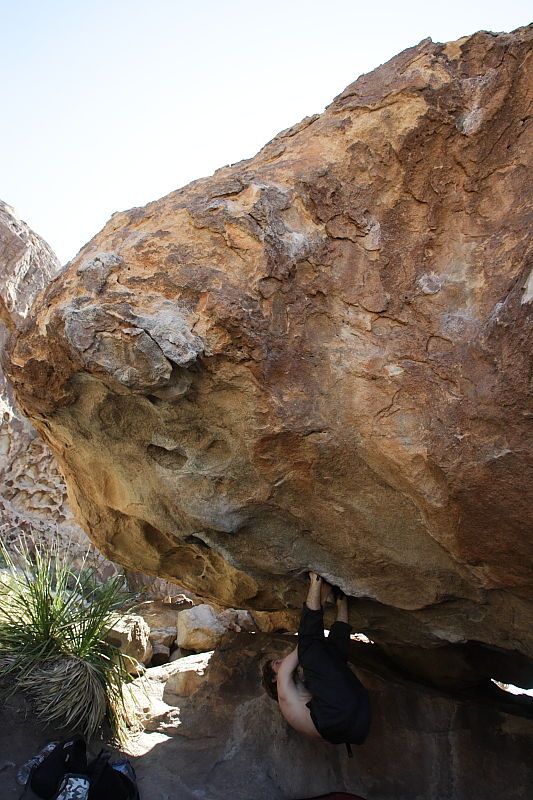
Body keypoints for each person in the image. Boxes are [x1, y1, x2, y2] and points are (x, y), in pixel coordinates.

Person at [262, 572, 371, 752]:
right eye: (277, 663)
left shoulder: (296, 700)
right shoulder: (282, 686)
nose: (282, 661)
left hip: (356, 724)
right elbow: (305, 643)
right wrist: (319, 596)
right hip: (335, 715)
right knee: (310, 646)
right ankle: (316, 580)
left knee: (332, 659)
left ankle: (342, 603)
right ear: (273, 678)